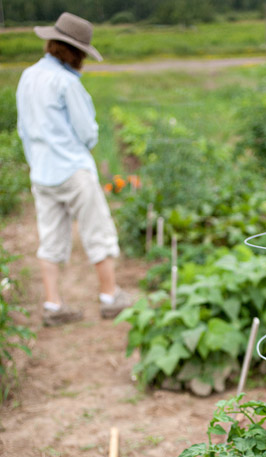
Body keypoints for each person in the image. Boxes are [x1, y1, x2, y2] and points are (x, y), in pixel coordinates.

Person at [16, 12, 131, 327]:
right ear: (75, 52)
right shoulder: (66, 82)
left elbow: (23, 127)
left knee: (51, 238)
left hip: (41, 171)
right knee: (98, 231)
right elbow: (86, 132)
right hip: (72, 169)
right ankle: (110, 297)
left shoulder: (28, 76)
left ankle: (53, 305)